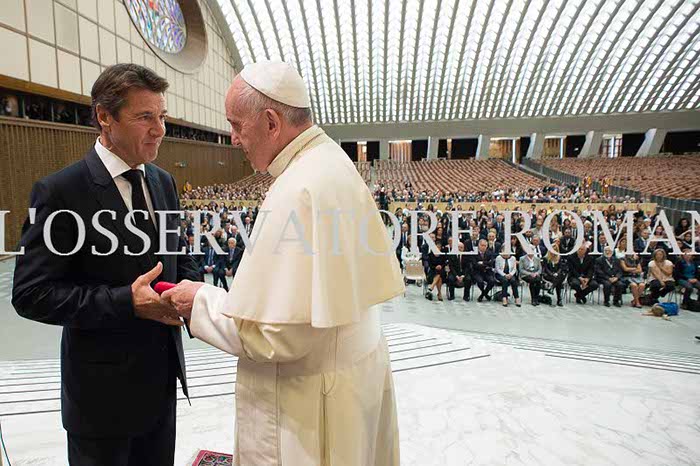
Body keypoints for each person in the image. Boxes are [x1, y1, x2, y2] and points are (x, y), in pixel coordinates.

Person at [162, 61, 403, 465]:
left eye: (237, 125)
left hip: (308, 403)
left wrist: (199, 301)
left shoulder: (297, 189)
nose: (233, 138)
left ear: (271, 122)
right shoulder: (331, 161)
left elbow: (273, 335)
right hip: (349, 375)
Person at [11, 64, 201, 466]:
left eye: (161, 116)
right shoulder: (60, 191)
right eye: (144, 117)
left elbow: (180, 257)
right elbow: (31, 294)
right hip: (101, 405)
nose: (159, 129)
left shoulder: (163, 182)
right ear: (104, 117)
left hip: (161, 389)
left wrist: (192, 293)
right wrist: (124, 302)